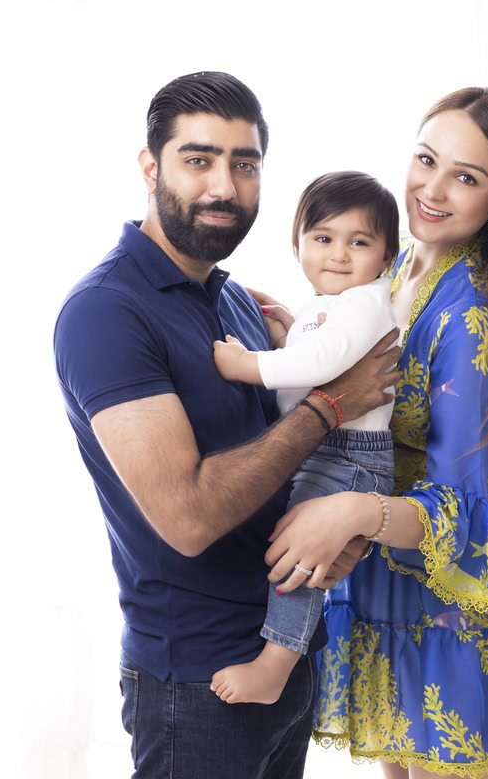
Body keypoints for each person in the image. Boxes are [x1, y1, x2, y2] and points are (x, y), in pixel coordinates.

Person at [52, 72, 401, 779]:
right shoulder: (106, 312)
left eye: (245, 165)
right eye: (199, 159)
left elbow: (296, 476)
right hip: (196, 683)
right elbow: (188, 515)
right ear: (150, 167)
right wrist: (331, 403)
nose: (224, 185)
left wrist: (339, 543)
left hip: (285, 656)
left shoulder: (238, 302)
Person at [259, 88, 488, 777]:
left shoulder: (473, 313)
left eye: (466, 177)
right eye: (425, 159)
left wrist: (351, 511)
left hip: (459, 591)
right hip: (391, 578)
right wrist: (297, 339)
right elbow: (363, 380)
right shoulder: (394, 266)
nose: (432, 190)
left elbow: (460, 508)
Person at [208, 171, 401, 705]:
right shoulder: (329, 304)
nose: (339, 254)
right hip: (327, 449)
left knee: (297, 556)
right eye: (323, 238)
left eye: (359, 242)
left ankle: (276, 664)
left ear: (387, 257)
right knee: (293, 549)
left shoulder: (364, 300)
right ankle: (280, 652)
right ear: (298, 244)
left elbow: (329, 358)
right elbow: (318, 349)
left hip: (347, 456)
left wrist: (250, 365)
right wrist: (285, 327)